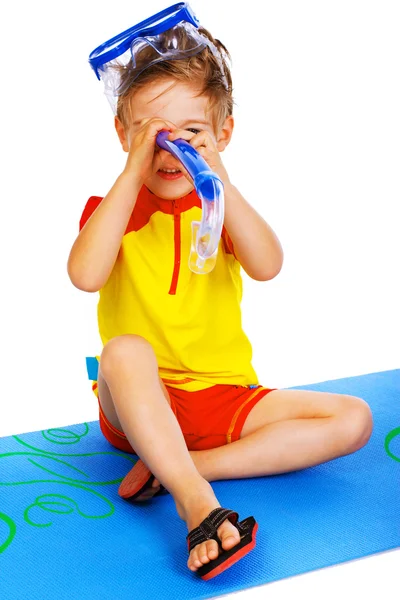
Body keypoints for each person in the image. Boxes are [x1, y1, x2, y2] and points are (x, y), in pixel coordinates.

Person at [67, 15, 373, 581]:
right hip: (138, 403)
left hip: (224, 399)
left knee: (353, 418)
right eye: (152, 134)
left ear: (223, 134)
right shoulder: (117, 212)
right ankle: (194, 498)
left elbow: (268, 265)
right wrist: (131, 172)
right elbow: (85, 274)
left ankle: (182, 466)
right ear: (122, 135)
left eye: (191, 134)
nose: (172, 150)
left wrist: (223, 184)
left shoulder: (220, 209)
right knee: (125, 350)